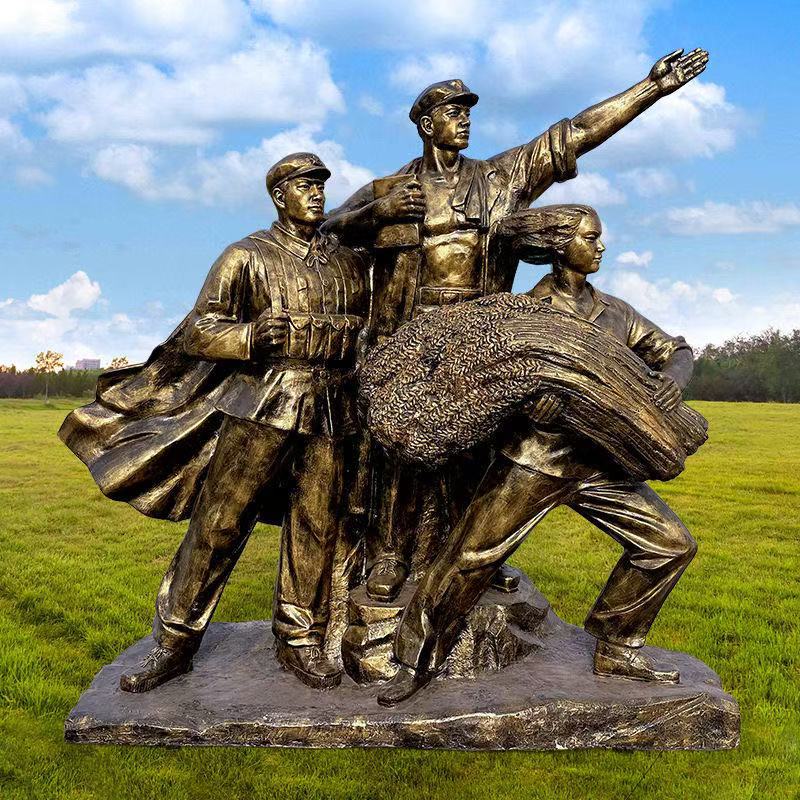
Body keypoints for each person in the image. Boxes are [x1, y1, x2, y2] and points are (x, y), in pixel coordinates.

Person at [323, 47, 709, 604]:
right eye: (454, 111)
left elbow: (570, 135)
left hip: (484, 335)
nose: (465, 119)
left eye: (468, 111)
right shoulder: (390, 189)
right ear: (427, 124)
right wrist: (370, 216)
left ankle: (475, 555)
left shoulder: (500, 179)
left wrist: (649, 89)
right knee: (403, 455)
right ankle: (390, 556)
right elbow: (333, 232)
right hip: (409, 339)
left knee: (482, 453)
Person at [66, 153, 370, 692]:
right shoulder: (245, 256)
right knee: (221, 523)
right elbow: (201, 329)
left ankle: (300, 639)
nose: (317, 194)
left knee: (316, 525)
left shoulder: (346, 261)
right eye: (305, 185)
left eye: (322, 185)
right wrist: (250, 337)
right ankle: (175, 642)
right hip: (261, 404)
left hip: (332, 408)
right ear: (280, 196)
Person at [378, 204, 697, 706]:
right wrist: (530, 405)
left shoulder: (615, 312)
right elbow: (485, 389)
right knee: (469, 557)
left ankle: (616, 645)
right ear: (558, 245)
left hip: (597, 460)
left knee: (670, 544)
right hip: (534, 458)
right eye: (591, 238)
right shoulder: (523, 313)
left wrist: (669, 385)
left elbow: (676, 350)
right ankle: (414, 662)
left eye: (599, 238)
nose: (600, 247)